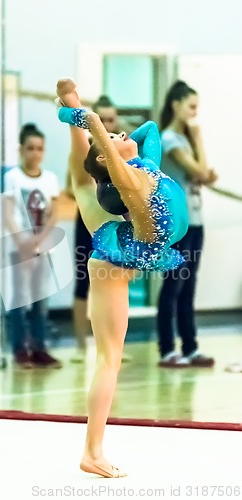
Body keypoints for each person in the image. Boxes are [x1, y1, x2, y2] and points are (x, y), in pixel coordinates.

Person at [56, 78, 188, 478]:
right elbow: (100, 146)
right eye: (115, 136)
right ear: (112, 157)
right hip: (117, 258)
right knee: (109, 359)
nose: (122, 133)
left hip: (118, 244)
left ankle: (93, 449)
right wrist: (85, 119)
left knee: (82, 184)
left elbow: (142, 133)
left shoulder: (141, 169)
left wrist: (71, 105)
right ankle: (92, 452)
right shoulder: (132, 183)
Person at [157, 81, 218, 368]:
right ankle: (167, 348)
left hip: (195, 220)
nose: (195, 113)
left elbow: (203, 175)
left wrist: (203, 172)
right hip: (176, 224)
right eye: (191, 106)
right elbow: (201, 171)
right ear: (176, 105)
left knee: (189, 284)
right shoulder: (170, 139)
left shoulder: (183, 140)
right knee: (173, 284)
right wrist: (199, 137)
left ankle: (190, 346)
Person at [72, 95, 132, 362]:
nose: (108, 124)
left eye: (111, 119)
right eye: (103, 119)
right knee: (84, 281)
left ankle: (113, 342)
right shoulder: (89, 153)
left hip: (117, 222)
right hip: (92, 220)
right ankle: (81, 344)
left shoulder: (123, 157)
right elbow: (74, 184)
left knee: (118, 281)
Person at [3, 124, 62, 368]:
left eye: (39, 148)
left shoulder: (50, 179)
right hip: (21, 247)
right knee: (20, 297)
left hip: (43, 246)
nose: (35, 153)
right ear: (21, 150)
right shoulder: (13, 177)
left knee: (41, 298)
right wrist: (22, 241)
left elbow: (54, 213)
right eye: (30, 148)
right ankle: (20, 348)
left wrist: (40, 239)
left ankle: (40, 347)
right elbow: (8, 212)